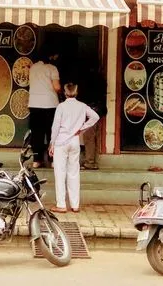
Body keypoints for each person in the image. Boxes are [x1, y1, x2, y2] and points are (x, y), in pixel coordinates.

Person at [48, 83, 99, 213]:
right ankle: (75, 204)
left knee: (60, 173)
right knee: (74, 173)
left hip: (61, 142)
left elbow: (55, 126)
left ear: (65, 93)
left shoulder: (61, 106)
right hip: (75, 141)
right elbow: (95, 117)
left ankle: (61, 204)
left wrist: (52, 143)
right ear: (77, 92)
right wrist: (81, 128)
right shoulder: (82, 106)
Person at [28, 46, 61, 168]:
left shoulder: (33, 68)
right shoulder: (52, 68)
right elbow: (57, 87)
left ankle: (37, 160)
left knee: (37, 133)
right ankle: (52, 160)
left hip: (34, 104)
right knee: (52, 132)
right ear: (51, 56)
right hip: (50, 104)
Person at [80, 64, 107, 170]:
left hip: (90, 110)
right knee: (95, 136)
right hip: (100, 110)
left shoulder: (86, 81)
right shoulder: (101, 80)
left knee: (89, 137)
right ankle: (93, 160)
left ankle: (90, 162)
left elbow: (83, 96)